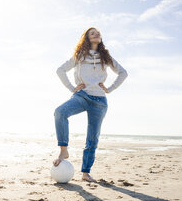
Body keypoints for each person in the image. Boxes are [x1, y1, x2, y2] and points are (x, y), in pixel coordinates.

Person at [53, 27, 128, 182]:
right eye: (92, 33)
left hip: (99, 101)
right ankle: (63, 150)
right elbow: (60, 70)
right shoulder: (79, 56)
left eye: (98, 33)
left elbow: (123, 73)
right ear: (86, 38)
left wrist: (110, 89)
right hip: (82, 96)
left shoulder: (106, 56)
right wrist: (72, 88)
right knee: (60, 112)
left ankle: (86, 173)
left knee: (92, 139)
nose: (96, 34)